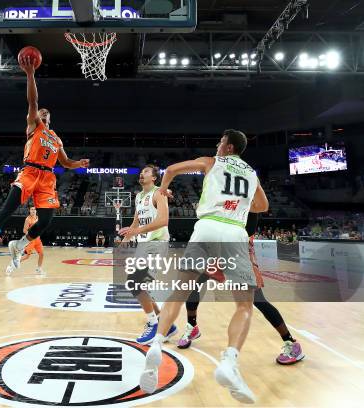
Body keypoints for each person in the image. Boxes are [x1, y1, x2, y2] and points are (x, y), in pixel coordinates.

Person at [139, 130, 268, 404]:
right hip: (234, 231)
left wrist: (162, 188)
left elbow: (172, 169)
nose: (217, 145)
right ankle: (230, 361)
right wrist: (241, 205)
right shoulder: (251, 172)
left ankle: (157, 343)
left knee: (179, 292)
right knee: (244, 305)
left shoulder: (211, 161)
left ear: (229, 146)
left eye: (220, 141)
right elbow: (263, 205)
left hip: (207, 228)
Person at [0, 54, 89, 269]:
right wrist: (31, 74)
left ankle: (20, 245)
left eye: (44, 113)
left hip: (47, 178)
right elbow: (32, 101)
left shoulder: (56, 138)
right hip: (30, 171)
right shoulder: (34, 126)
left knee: (46, 221)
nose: (41, 112)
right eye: (40, 111)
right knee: (8, 208)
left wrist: (78, 163)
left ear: (49, 118)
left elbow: (66, 162)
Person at [178, 212, 305, 365]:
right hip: (217, 253)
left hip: (239, 254)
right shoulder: (222, 201)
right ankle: (192, 326)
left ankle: (291, 343)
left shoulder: (248, 205)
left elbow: (246, 231)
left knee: (259, 301)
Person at [118, 165, 178, 345]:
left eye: (146, 172)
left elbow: (163, 221)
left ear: (154, 178)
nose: (141, 174)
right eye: (141, 171)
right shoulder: (138, 196)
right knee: (139, 286)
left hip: (157, 243)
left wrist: (136, 232)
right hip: (143, 244)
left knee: (136, 284)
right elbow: (135, 221)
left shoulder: (159, 193)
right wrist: (125, 240)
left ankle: (153, 324)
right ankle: (167, 325)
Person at [9, 207, 45, 275]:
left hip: (38, 240)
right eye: (31, 209)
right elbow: (24, 230)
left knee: (41, 254)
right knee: (27, 256)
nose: (33, 211)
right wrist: (31, 235)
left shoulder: (38, 218)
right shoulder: (28, 219)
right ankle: (11, 266)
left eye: (34, 209)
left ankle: (39, 269)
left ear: (36, 211)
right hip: (31, 240)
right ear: (29, 211)